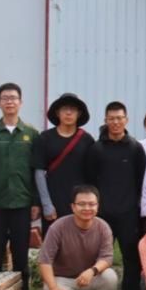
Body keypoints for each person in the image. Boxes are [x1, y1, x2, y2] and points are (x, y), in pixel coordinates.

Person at [0, 82, 40, 290]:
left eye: (13, 98)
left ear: (20, 102)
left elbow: (36, 172)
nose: (9, 102)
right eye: (5, 98)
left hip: (22, 204)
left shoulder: (31, 133)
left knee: (20, 255)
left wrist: (35, 201)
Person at [87, 101, 146, 290]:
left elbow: (142, 180)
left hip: (128, 212)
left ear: (126, 120)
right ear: (105, 120)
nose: (115, 122)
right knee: (97, 256)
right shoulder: (96, 149)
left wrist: (136, 206)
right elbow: (90, 180)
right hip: (102, 213)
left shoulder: (135, 148)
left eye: (119, 118)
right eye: (111, 118)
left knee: (131, 256)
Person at [38, 185, 117, 290]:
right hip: (62, 279)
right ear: (73, 207)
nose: (87, 208)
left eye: (91, 204)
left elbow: (107, 258)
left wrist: (92, 271)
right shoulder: (58, 227)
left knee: (110, 276)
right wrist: (53, 288)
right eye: (82, 204)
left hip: (88, 280)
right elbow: (45, 261)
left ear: (97, 206)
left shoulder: (103, 227)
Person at [35, 93, 95, 234]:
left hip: (79, 203)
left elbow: (92, 174)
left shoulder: (87, 140)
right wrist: (46, 204)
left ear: (79, 113)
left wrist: (88, 203)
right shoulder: (44, 138)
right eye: (64, 109)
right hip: (53, 202)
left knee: (79, 241)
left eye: (72, 109)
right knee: (53, 242)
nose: (68, 113)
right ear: (57, 113)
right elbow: (39, 172)